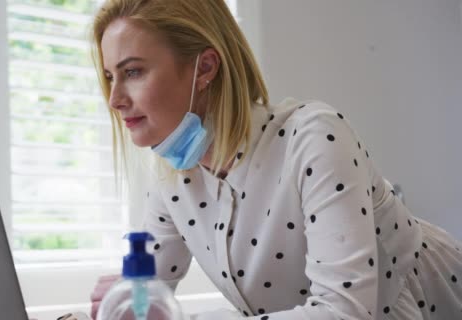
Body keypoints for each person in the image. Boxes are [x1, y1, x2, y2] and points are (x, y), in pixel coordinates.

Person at [89, 0, 462, 319]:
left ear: (204, 68)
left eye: (133, 72)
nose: (114, 98)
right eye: (109, 76)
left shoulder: (314, 137)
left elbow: (342, 312)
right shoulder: (173, 181)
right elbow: (145, 302)